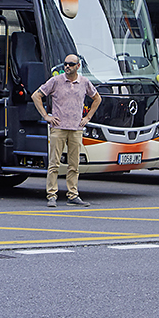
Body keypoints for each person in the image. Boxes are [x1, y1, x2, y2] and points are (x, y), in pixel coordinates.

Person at [31, 54, 101, 208]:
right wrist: (46, 116)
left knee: (74, 164)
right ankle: (51, 195)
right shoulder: (56, 81)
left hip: (76, 128)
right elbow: (36, 96)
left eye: (71, 64)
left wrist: (87, 117)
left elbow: (97, 98)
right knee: (54, 163)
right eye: (65, 64)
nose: (67, 66)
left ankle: (73, 195)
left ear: (78, 66)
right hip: (58, 128)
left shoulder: (84, 82)